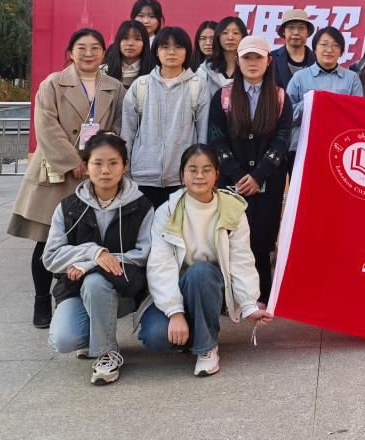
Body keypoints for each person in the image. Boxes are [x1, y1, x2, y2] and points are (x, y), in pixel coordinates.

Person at [8, 28, 125, 329]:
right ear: (70, 52)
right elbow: (45, 127)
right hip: (56, 172)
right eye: (81, 47)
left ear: (103, 53)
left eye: (95, 48)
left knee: (86, 241)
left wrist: (99, 158)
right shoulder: (53, 83)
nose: (88, 53)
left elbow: (118, 126)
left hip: (95, 173)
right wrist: (73, 162)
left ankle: (72, 302)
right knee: (47, 240)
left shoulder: (114, 87)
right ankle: (41, 301)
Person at [138, 145, 273, 376]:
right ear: (182, 175)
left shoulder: (232, 208)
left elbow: (241, 259)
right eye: (192, 169)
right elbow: (160, 265)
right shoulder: (167, 211)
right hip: (178, 287)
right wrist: (175, 313)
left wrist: (249, 305)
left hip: (212, 288)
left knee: (201, 272)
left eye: (206, 169)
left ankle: (207, 348)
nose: (199, 175)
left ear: (217, 174)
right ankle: (194, 331)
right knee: (155, 336)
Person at [42, 133, 153, 384]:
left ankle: (107, 352)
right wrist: (93, 252)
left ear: (125, 166)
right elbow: (50, 257)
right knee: (64, 340)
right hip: (75, 289)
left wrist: (90, 264)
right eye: (97, 163)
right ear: (85, 167)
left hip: (123, 290)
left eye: (113, 163)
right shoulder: (68, 207)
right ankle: (94, 337)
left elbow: (144, 254)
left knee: (95, 282)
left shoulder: (141, 206)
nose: (105, 170)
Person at [207, 35, 292, 304]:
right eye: (247, 58)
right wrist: (236, 173)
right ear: (238, 60)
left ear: (269, 61)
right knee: (231, 238)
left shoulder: (280, 97)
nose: (252, 63)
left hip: (269, 180)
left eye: (258, 58)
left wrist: (258, 175)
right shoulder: (223, 97)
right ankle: (228, 298)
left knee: (262, 239)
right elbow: (216, 139)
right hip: (232, 180)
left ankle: (261, 296)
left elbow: (282, 140)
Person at [122, 26, 210, 210]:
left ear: (187, 51)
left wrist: (198, 171)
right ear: (156, 51)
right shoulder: (141, 85)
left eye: (178, 47)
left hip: (183, 178)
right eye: (165, 47)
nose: (171, 52)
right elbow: (127, 133)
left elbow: (203, 136)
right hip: (142, 178)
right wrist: (126, 171)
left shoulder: (198, 86)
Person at [286, 26, 363, 162]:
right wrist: (311, 102)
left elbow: (357, 115)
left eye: (335, 45)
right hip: (303, 147)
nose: (329, 50)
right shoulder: (299, 77)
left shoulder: (352, 78)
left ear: (341, 51)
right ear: (315, 49)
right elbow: (285, 116)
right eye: (324, 44)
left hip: (339, 148)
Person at [198, 16, 248, 97]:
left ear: (243, 37)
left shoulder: (251, 68)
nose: (230, 37)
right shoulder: (204, 70)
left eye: (236, 33)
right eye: (225, 33)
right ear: (218, 37)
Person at [101, 20, 155, 89]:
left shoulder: (155, 73)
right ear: (118, 42)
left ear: (145, 43)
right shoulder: (102, 71)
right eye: (125, 38)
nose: (130, 43)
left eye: (137, 39)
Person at [270, 8, 316, 89]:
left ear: (307, 32)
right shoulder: (270, 58)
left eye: (301, 28)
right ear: (283, 31)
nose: (296, 32)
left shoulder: (318, 60)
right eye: (291, 27)